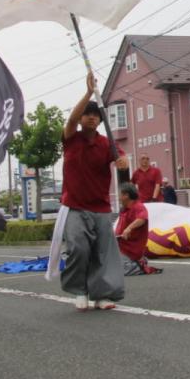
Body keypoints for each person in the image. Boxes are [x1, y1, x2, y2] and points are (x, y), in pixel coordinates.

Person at [58, 74, 126, 310]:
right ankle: (80, 290)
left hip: (101, 207)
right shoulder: (71, 138)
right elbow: (70, 120)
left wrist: (122, 162)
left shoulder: (106, 143)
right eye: (88, 114)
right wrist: (88, 93)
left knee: (102, 252)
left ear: (100, 121)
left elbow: (121, 158)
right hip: (74, 206)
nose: (91, 118)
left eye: (96, 116)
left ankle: (102, 294)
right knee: (78, 248)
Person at [115, 182, 160, 276]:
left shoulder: (138, 207)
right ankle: (137, 262)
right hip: (120, 246)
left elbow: (142, 219)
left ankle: (139, 266)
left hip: (129, 250)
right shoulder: (124, 209)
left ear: (126, 195)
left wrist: (128, 228)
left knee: (116, 272)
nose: (118, 197)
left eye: (119, 194)